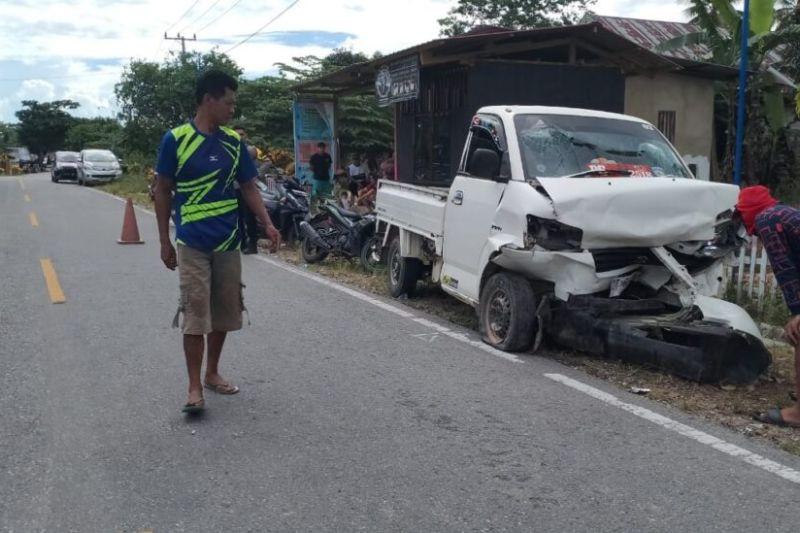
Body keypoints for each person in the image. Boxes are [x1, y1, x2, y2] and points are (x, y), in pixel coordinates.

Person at [154, 70, 281, 414]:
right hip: (192, 243)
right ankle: (194, 386)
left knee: (225, 313)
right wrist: (165, 241)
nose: (232, 109)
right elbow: (162, 190)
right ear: (208, 100)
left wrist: (267, 224)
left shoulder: (232, 142)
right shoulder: (176, 140)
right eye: (228, 102)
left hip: (228, 242)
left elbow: (249, 187)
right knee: (196, 313)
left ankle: (212, 373)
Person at [738, 186, 800, 428]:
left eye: (741, 214)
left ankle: (797, 415)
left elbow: (786, 269)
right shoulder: (784, 214)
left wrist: (797, 311)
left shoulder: (767, 219)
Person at [233, 126, 260, 254]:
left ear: (246, 136)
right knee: (238, 218)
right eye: (237, 134)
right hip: (235, 189)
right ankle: (242, 242)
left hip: (249, 189)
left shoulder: (250, 150)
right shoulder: (229, 149)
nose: (240, 136)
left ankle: (253, 243)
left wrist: (256, 174)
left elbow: (265, 161)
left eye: (242, 134)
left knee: (250, 217)